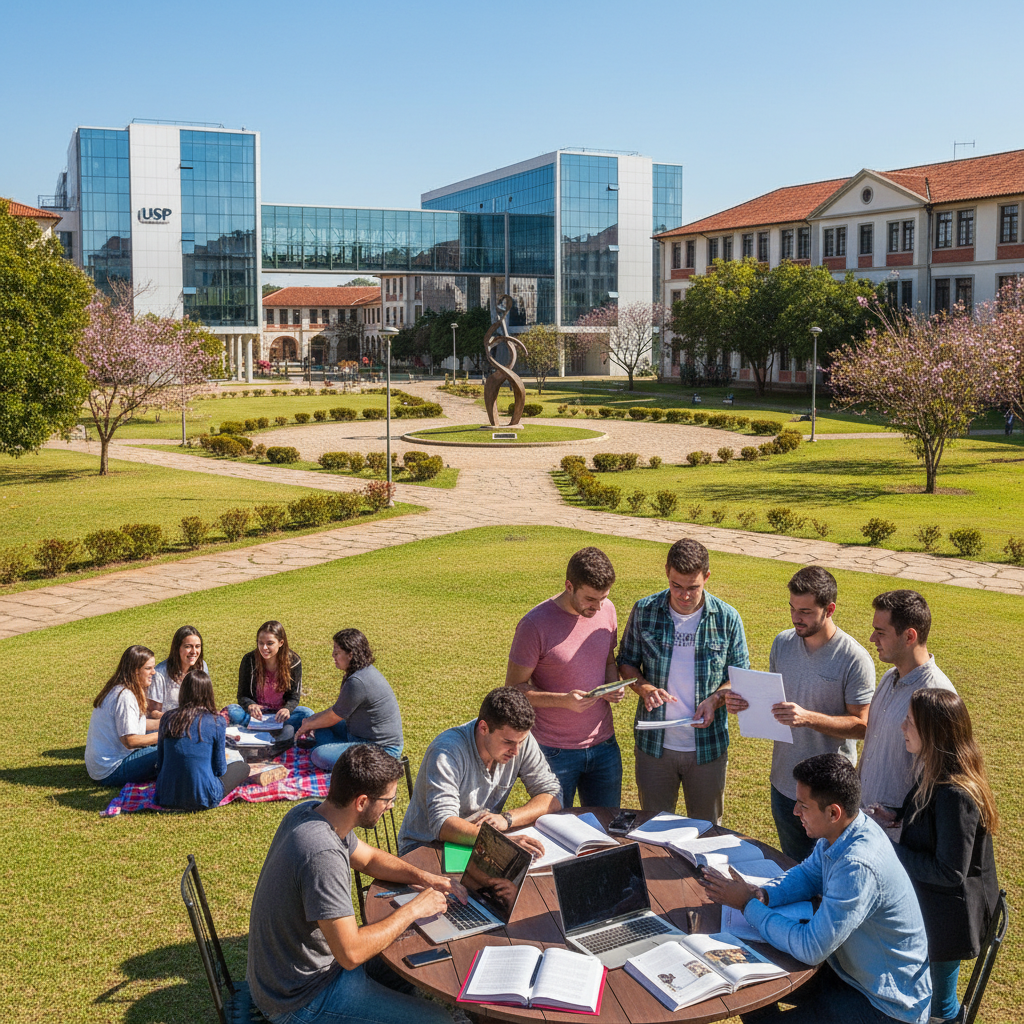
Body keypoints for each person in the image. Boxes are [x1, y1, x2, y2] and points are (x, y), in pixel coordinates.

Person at [700, 753, 932, 1023]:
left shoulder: (857, 867)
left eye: (803, 805)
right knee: (745, 981)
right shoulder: (845, 829)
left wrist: (748, 906)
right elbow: (810, 874)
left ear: (833, 812)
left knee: (749, 992)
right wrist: (764, 894)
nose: (795, 812)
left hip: (884, 1005)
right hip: (850, 976)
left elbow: (811, 948)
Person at [247, 744, 464, 1024]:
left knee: (406, 948)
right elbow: (351, 954)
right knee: (439, 1021)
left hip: (293, 977)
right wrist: (413, 909)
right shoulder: (322, 855)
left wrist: (423, 877)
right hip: (300, 1000)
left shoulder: (311, 814)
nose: (391, 806)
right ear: (361, 802)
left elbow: (370, 859)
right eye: (388, 800)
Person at [725, 567, 875, 861]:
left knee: (830, 873)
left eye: (805, 611)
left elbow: (862, 726)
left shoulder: (854, 658)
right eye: (793, 609)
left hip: (828, 795)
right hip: (784, 784)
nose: (796, 618)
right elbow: (773, 701)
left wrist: (808, 718)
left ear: (829, 609)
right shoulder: (782, 643)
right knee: (792, 865)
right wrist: (745, 703)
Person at [887, 689, 999, 1023]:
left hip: (948, 921)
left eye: (910, 721)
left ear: (933, 733)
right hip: (932, 910)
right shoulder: (932, 771)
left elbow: (950, 871)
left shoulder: (955, 794)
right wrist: (893, 815)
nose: (902, 727)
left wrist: (891, 852)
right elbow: (927, 820)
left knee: (939, 1005)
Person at [618, 538, 748, 824]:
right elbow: (626, 661)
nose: (684, 595)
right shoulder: (644, 610)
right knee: (653, 830)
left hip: (708, 748)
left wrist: (716, 699)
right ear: (666, 571)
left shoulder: (727, 618)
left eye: (693, 587)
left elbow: (738, 677)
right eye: (676, 586)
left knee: (705, 832)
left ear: (707, 577)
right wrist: (643, 687)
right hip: (655, 746)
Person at [505, 546, 624, 808]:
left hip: (604, 746)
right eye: (590, 599)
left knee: (608, 831)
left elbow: (608, 659)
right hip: (553, 752)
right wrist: (563, 700)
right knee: (557, 833)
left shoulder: (607, 611)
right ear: (569, 586)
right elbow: (513, 690)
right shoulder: (534, 625)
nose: (598, 607)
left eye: (603, 598)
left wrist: (613, 685)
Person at [397, 687, 562, 856]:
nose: (516, 751)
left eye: (522, 741)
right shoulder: (447, 751)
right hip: (426, 849)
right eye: (508, 742)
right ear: (483, 728)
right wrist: (500, 842)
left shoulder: (518, 741)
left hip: (477, 844)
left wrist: (507, 819)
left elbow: (552, 796)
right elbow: (443, 824)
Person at [859, 590, 956, 823]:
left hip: (899, 832)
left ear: (909, 636)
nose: (873, 638)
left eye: (881, 632)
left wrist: (901, 817)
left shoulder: (936, 696)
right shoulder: (889, 676)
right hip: (868, 820)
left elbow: (939, 779)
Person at [296, 629, 403, 771]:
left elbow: (334, 716)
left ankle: (334, 752)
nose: (333, 656)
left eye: (337, 652)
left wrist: (309, 724)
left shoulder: (358, 681)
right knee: (317, 724)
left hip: (381, 751)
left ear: (351, 655)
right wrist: (311, 721)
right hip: (356, 734)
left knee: (319, 755)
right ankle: (338, 750)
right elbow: (335, 711)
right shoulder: (359, 673)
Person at [154, 668, 251, 810]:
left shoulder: (167, 718)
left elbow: (160, 763)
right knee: (242, 767)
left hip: (165, 794)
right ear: (208, 693)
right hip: (203, 796)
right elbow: (220, 769)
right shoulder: (216, 721)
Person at [225, 620, 313, 745]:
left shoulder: (294, 662)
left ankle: (260, 731)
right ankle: (277, 733)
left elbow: (294, 696)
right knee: (233, 710)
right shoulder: (249, 660)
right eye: (260, 643)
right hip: (256, 716)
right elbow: (242, 695)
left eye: (270, 643)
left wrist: (287, 709)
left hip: (279, 717)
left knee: (307, 714)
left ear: (281, 643)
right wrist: (251, 705)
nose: (264, 648)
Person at [85, 645, 161, 786]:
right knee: (171, 749)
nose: (154, 672)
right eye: (148, 668)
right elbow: (130, 740)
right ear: (135, 671)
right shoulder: (125, 696)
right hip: (111, 771)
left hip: (101, 768)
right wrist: (165, 734)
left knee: (166, 748)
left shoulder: (120, 689)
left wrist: (169, 721)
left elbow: (139, 725)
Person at [149, 625, 207, 715]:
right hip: (169, 725)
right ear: (177, 648)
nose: (194, 651)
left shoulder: (202, 666)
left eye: (197, 646)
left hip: (194, 722)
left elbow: (205, 701)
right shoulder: (160, 673)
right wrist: (177, 718)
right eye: (188, 646)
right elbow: (152, 712)